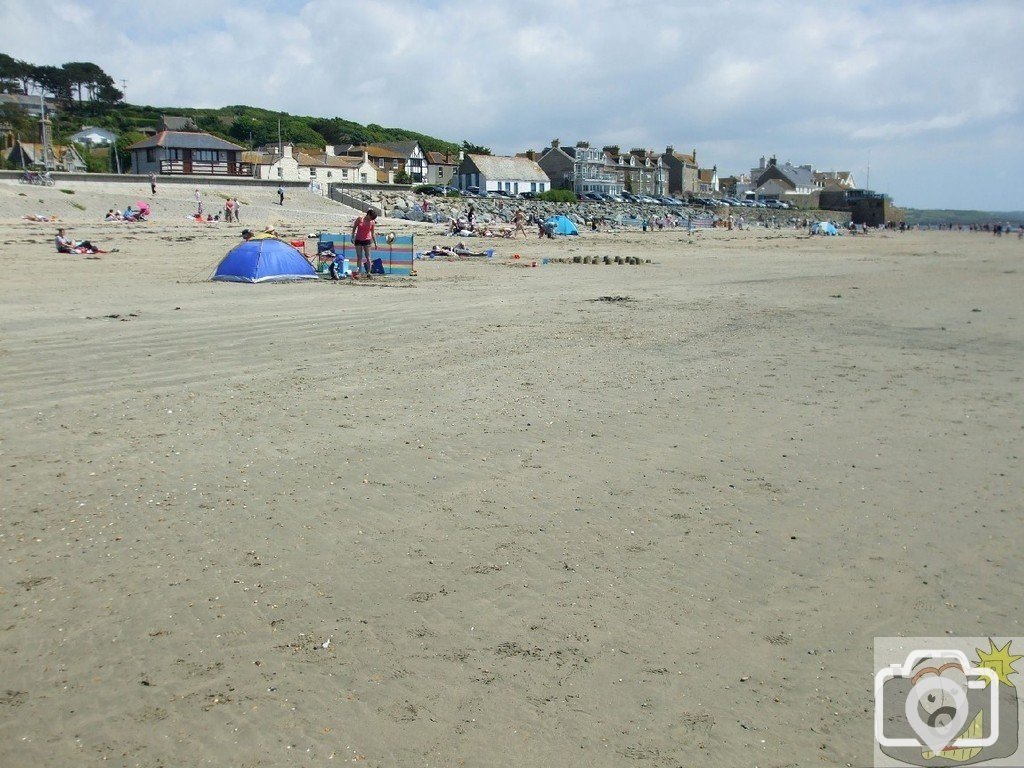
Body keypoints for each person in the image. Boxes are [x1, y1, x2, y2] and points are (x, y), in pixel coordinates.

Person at [351, 208, 378, 274]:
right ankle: (359, 272)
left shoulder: (372, 222)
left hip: (367, 240)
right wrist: (352, 237)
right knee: (359, 257)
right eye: (371, 217)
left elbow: (373, 233)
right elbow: (354, 228)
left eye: (373, 219)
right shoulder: (360, 219)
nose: (371, 219)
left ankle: (369, 272)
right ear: (368, 214)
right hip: (358, 239)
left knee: (368, 257)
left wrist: (375, 243)